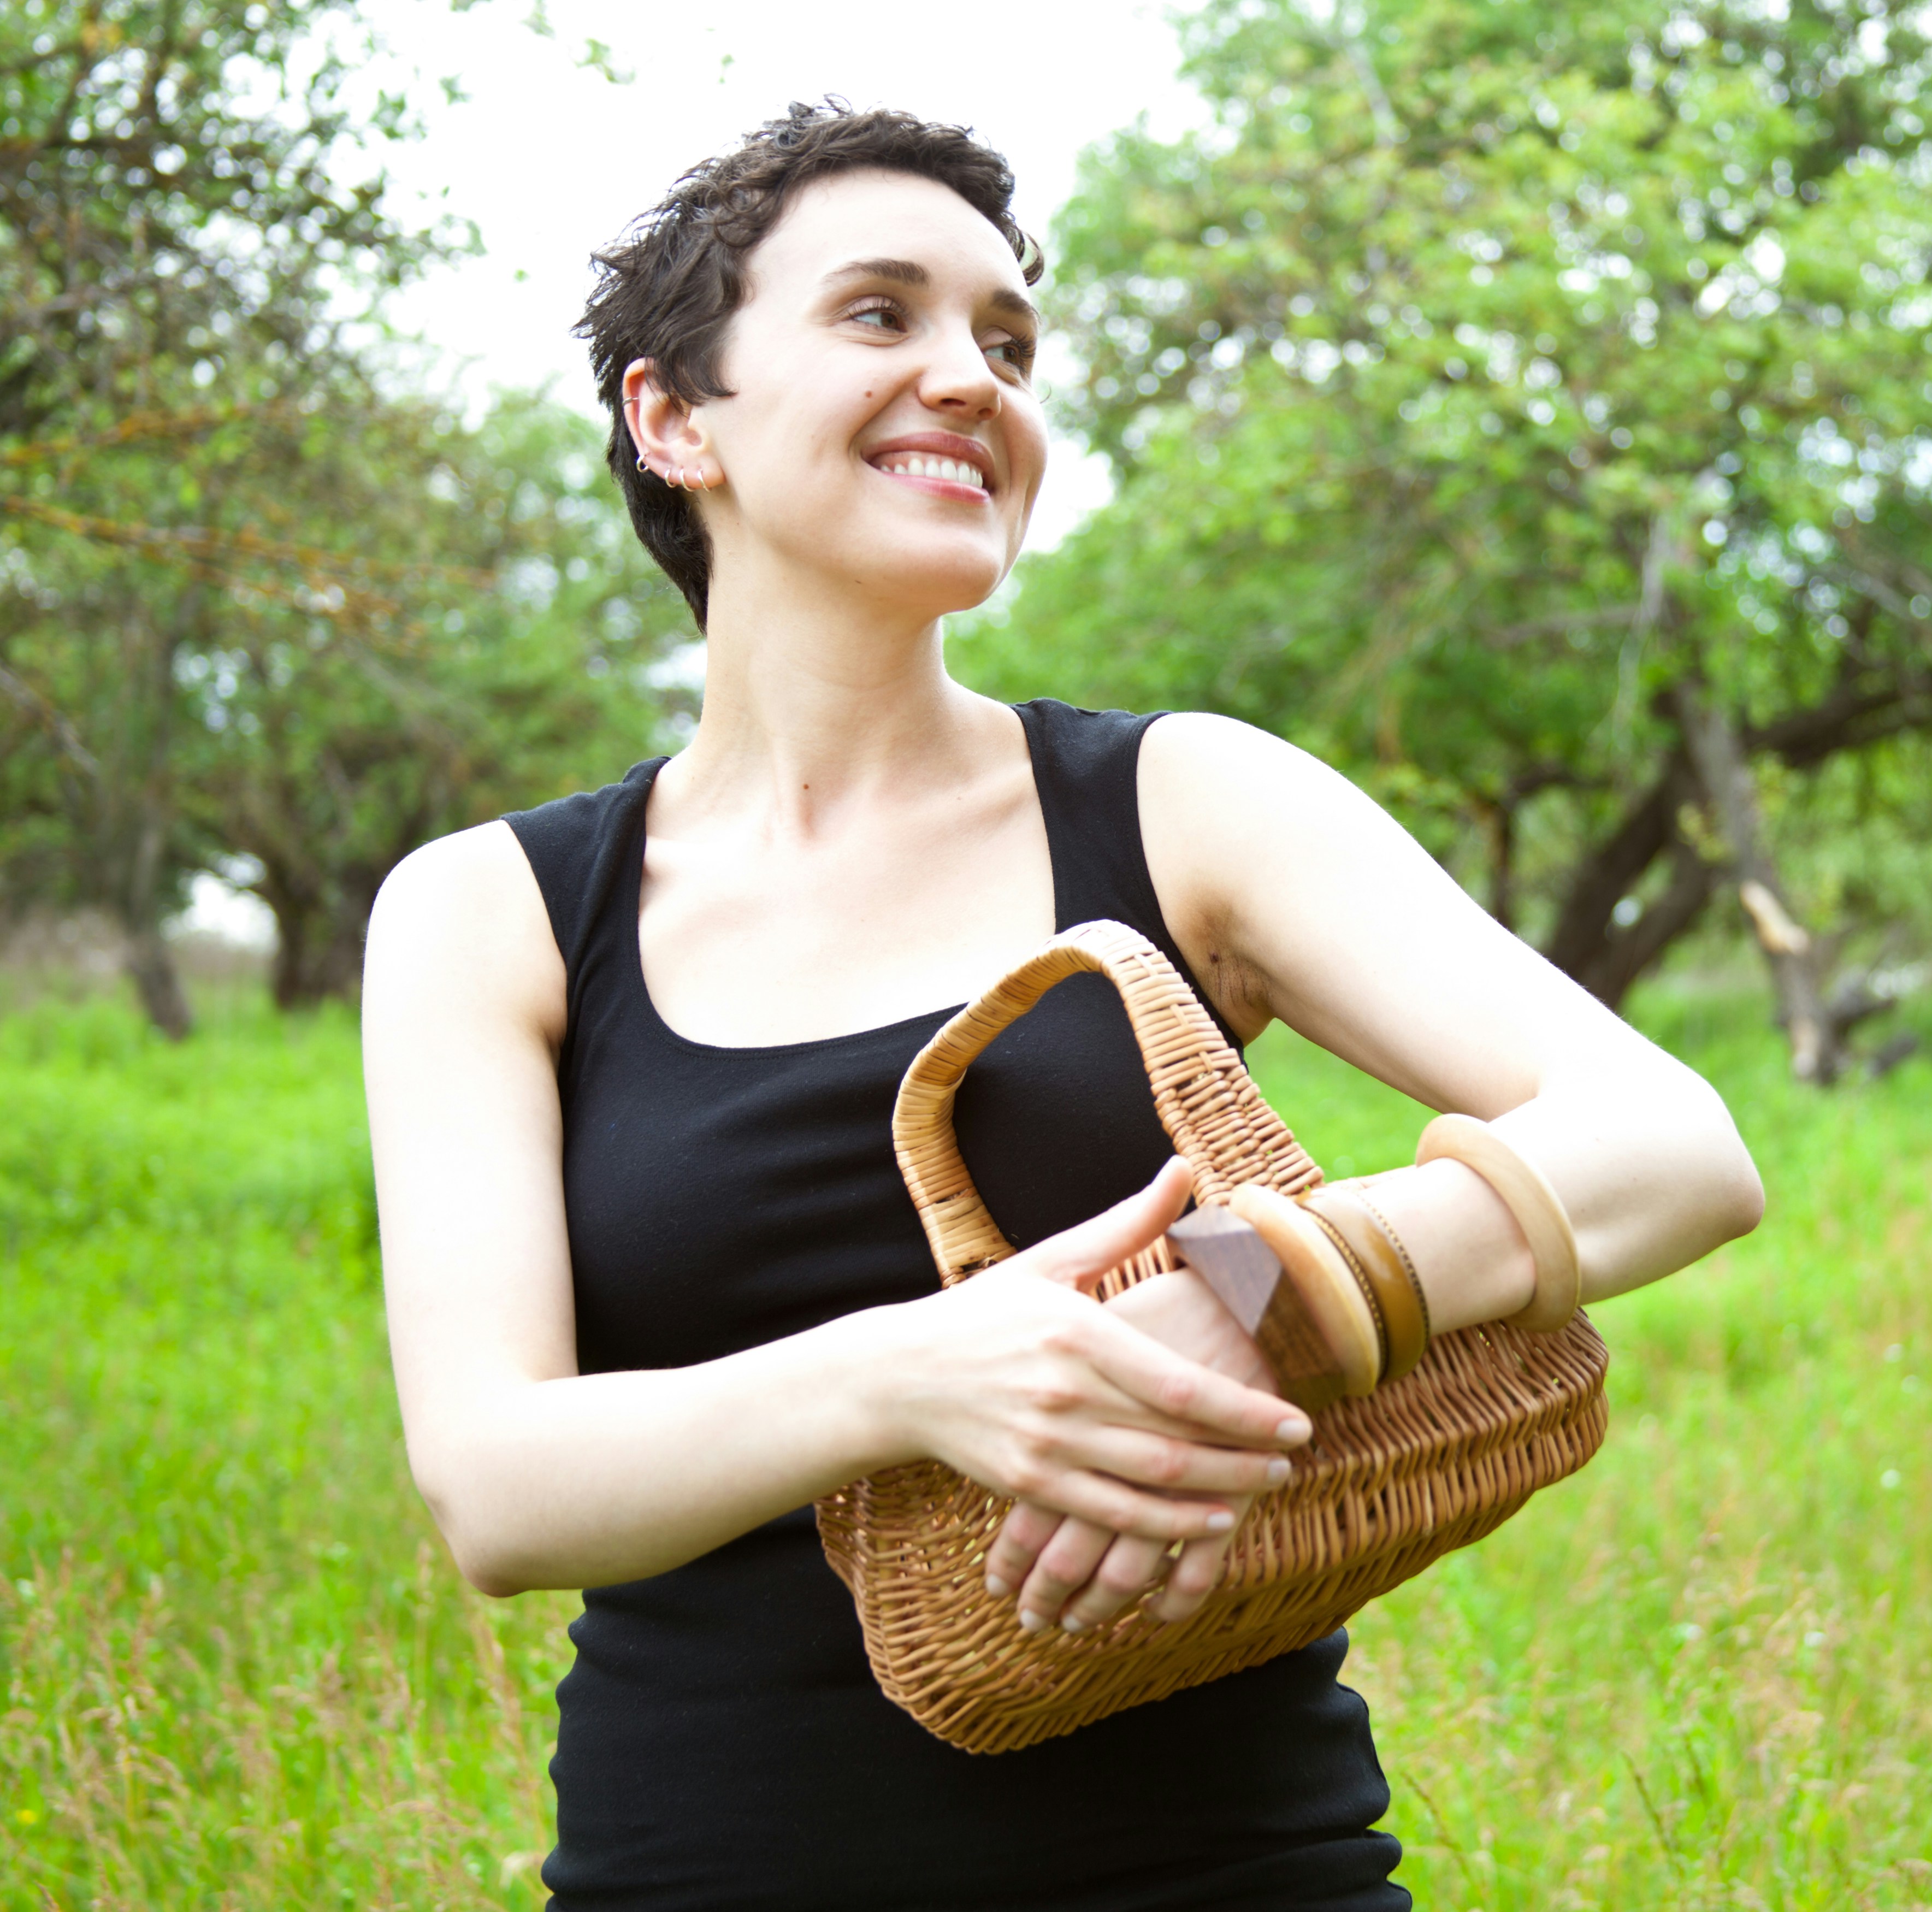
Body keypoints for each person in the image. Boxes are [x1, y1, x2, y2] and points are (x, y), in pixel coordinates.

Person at [361, 102, 1763, 1910]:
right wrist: (925, 1373)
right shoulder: (494, 914)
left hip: (1228, 1869)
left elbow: (1676, 1147)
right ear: (670, 416)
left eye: (1006, 343)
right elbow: (498, 1486)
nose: (970, 377)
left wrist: (1262, 1301)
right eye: (881, 315)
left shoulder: (1184, 806)